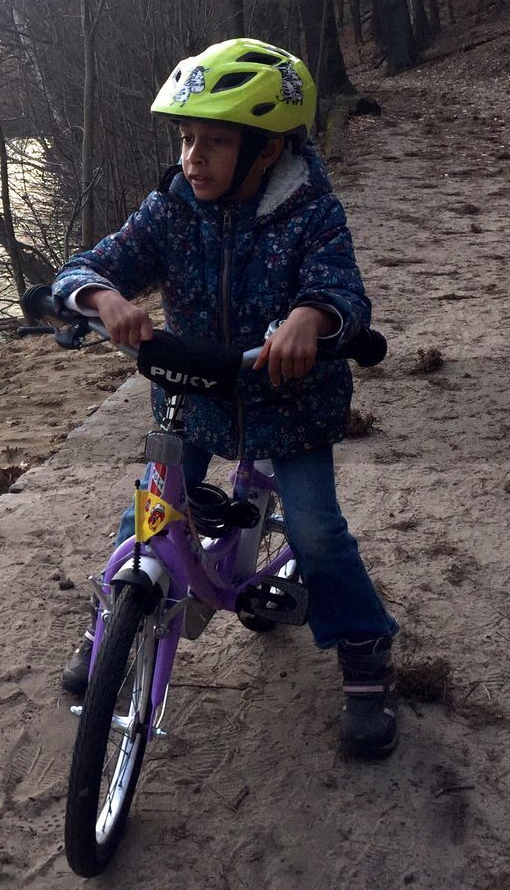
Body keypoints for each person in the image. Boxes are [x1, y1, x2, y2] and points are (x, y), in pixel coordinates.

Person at [50, 38, 399, 759]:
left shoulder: (311, 213)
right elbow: (91, 263)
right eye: (186, 139)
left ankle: (365, 653)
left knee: (316, 531)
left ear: (268, 151)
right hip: (195, 393)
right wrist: (99, 295)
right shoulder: (171, 210)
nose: (193, 158)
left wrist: (313, 319)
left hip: (289, 399)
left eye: (215, 141)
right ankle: (110, 625)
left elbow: (341, 290)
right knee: (143, 518)